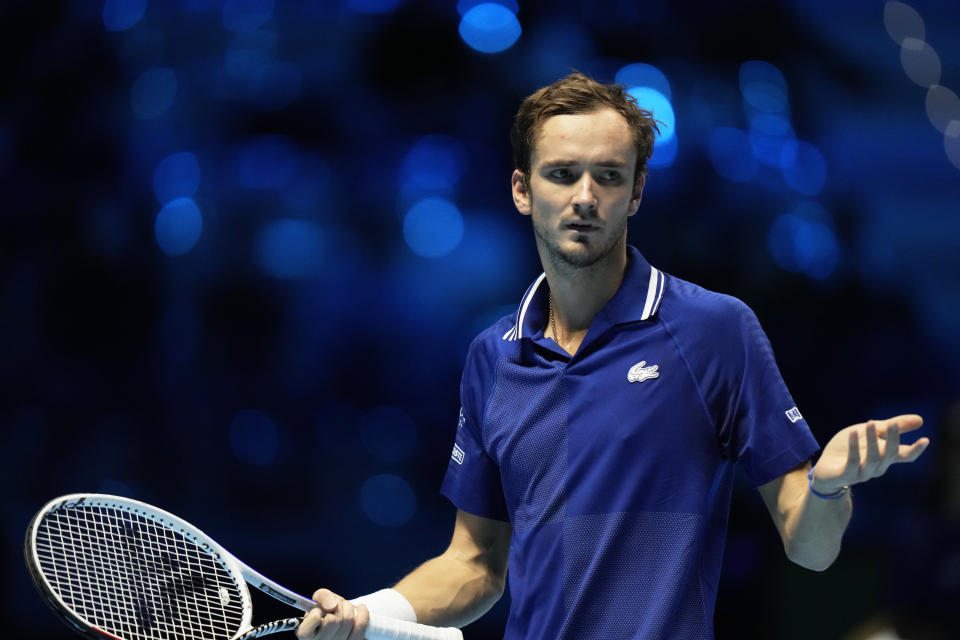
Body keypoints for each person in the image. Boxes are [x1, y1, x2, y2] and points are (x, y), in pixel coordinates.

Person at [297, 72, 930, 640]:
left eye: (608, 175)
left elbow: (811, 550)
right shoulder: (492, 356)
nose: (584, 196)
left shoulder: (715, 332)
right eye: (561, 173)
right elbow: (476, 564)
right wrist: (376, 610)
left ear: (636, 193)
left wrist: (826, 490)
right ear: (522, 190)